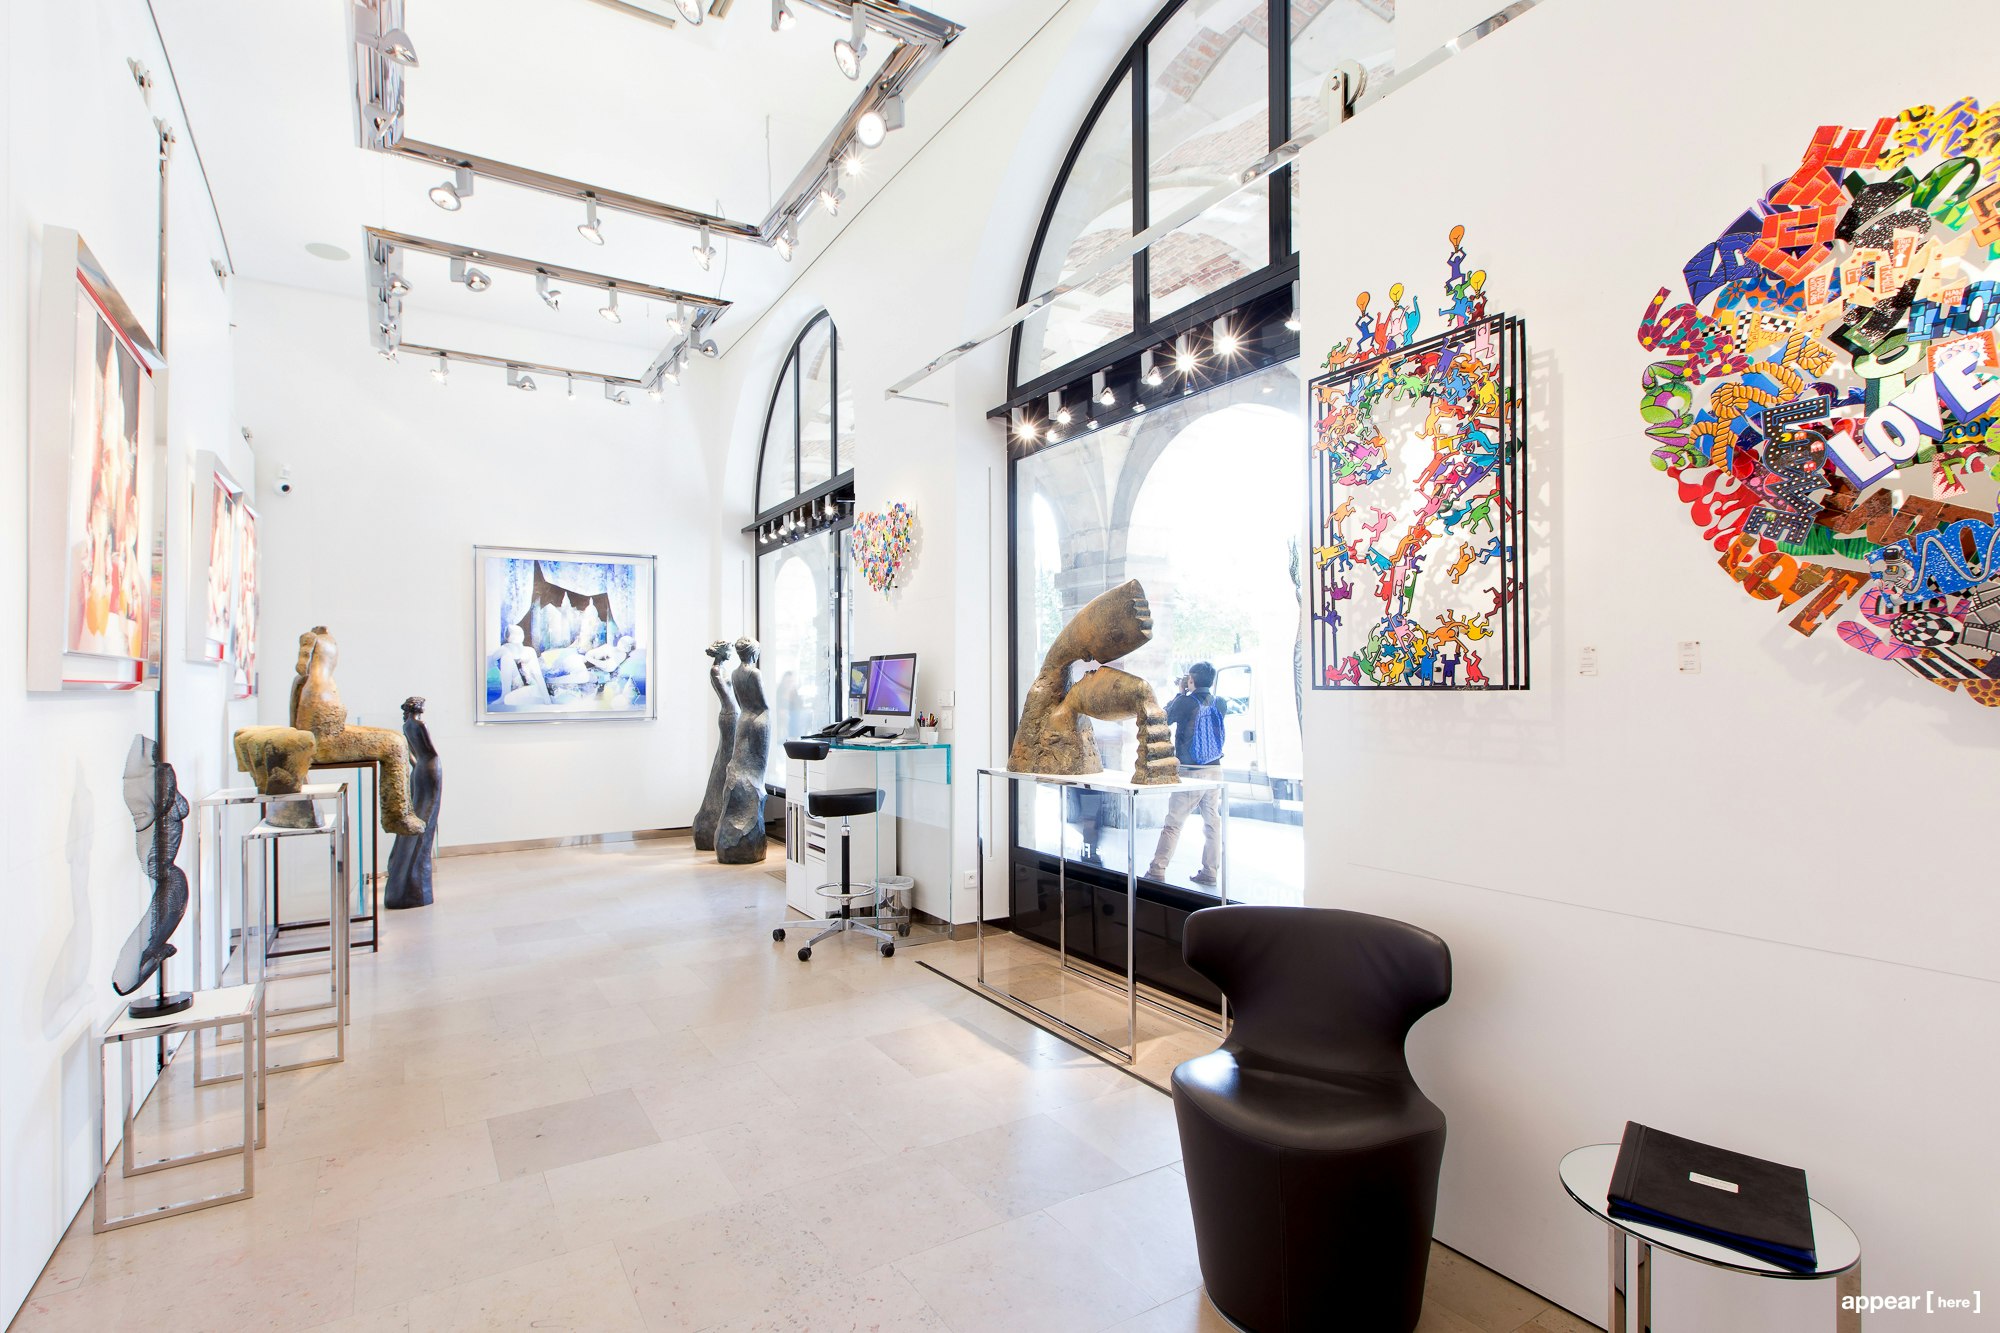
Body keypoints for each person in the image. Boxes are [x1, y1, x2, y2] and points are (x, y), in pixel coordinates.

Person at [1145, 661, 1231, 888]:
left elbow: (1161, 717)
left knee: (1173, 823)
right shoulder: (1219, 702)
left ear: (1191, 680)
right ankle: (1210, 872)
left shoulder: (1185, 702)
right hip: (1215, 770)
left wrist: (1180, 693)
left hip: (1191, 772)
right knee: (1212, 823)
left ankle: (1157, 869)